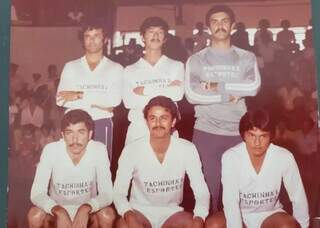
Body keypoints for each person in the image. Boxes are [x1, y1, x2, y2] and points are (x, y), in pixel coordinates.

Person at [185, 4, 261, 212]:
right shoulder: (196, 59)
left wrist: (214, 86)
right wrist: (231, 93)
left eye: (224, 21)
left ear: (233, 26)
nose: (220, 25)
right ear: (209, 27)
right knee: (208, 194)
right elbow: (192, 95)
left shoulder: (247, 57)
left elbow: (253, 88)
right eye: (215, 21)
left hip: (238, 131)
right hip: (206, 132)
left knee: (238, 192)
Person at [114, 96, 210, 228]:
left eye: (164, 118)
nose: (158, 123)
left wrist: (199, 216)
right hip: (140, 211)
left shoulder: (187, 149)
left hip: (172, 213)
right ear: (147, 122)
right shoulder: (132, 150)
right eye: (153, 118)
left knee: (192, 224)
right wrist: (128, 214)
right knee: (124, 225)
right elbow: (118, 192)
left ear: (173, 122)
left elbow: (201, 191)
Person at [206, 109, 309, 228]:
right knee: (214, 224)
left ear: (271, 136)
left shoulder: (284, 156)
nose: (257, 143)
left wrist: (303, 226)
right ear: (243, 134)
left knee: (287, 226)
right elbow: (231, 201)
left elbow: (298, 195)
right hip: (240, 214)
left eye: (263, 136)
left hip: (270, 215)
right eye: (252, 135)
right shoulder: (231, 157)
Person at [27, 109, 115, 228]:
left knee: (107, 214)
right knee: (35, 215)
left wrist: (86, 208)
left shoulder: (99, 150)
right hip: (57, 210)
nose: (75, 140)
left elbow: (107, 194)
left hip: (88, 211)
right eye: (69, 133)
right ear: (63, 135)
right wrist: (58, 211)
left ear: (90, 134)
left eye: (81, 132)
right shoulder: (51, 150)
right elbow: (36, 193)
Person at [56, 19, 123, 160]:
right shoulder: (71, 67)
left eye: (96, 36)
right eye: (88, 36)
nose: (92, 40)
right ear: (83, 40)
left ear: (105, 39)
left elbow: (114, 101)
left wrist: (78, 95)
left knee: (100, 172)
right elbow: (61, 99)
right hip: (73, 125)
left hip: (101, 123)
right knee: (74, 171)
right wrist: (100, 101)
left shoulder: (116, 68)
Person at [123, 16, 184, 144]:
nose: (155, 36)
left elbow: (177, 94)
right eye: (151, 31)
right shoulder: (130, 70)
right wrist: (167, 90)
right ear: (142, 36)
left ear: (165, 38)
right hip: (138, 131)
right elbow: (129, 102)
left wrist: (144, 90)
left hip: (167, 130)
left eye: (160, 32)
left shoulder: (176, 66)